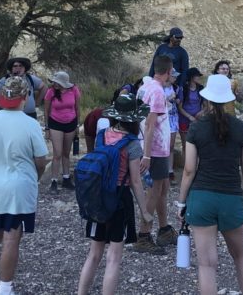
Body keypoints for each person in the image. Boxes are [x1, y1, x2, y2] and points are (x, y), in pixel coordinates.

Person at [178, 74, 243, 295]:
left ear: (207, 100)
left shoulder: (197, 128)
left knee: (206, 264)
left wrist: (181, 203)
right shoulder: (242, 128)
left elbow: (189, 169)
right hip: (231, 197)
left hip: (202, 198)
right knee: (241, 256)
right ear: (229, 99)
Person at [0, 77, 49, 295]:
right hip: (19, 188)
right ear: (24, 97)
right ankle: (5, 288)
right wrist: (35, 176)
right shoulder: (30, 124)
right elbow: (41, 160)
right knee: (12, 237)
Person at [77, 95, 153, 295]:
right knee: (113, 258)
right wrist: (144, 212)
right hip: (119, 199)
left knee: (93, 255)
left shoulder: (102, 135)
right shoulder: (132, 144)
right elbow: (136, 181)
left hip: (97, 197)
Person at [135, 57, 175, 252]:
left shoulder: (146, 86)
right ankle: (143, 234)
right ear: (168, 71)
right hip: (155, 149)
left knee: (163, 187)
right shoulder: (158, 91)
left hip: (155, 147)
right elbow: (150, 124)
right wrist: (147, 155)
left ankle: (164, 228)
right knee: (153, 190)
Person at [43, 70, 82, 192]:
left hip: (71, 122)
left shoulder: (74, 90)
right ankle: (54, 180)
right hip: (55, 123)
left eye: (57, 82)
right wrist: (47, 128)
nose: (55, 84)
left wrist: (77, 125)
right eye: (54, 81)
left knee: (66, 152)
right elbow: (46, 110)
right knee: (57, 153)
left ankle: (66, 178)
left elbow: (77, 108)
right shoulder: (50, 92)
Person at [177, 67, 205, 140]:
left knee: (197, 142)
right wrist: (189, 117)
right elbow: (180, 107)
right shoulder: (183, 89)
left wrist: (201, 112)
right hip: (184, 119)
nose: (199, 77)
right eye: (197, 76)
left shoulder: (201, 88)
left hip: (197, 119)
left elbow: (206, 106)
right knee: (185, 144)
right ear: (192, 77)